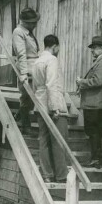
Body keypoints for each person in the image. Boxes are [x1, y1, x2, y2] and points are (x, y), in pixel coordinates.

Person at [33, 35, 68, 183]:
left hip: (40, 103)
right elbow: (51, 84)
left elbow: (35, 86)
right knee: (59, 140)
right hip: (52, 104)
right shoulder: (52, 60)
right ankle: (61, 175)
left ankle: (47, 175)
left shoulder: (37, 61)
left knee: (44, 141)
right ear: (55, 46)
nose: (58, 50)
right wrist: (55, 108)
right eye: (58, 48)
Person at [76, 36, 102, 169]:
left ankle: (97, 159)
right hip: (94, 102)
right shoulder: (100, 61)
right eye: (92, 48)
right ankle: (96, 158)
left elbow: (97, 81)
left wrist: (82, 82)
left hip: (95, 103)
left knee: (94, 130)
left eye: (94, 48)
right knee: (94, 130)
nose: (92, 50)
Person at [12, 7, 40, 133]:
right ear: (26, 22)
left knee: (33, 95)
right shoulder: (18, 32)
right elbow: (21, 53)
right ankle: (25, 125)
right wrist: (23, 73)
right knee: (26, 96)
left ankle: (20, 115)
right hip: (27, 67)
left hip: (34, 66)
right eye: (33, 22)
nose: (35, 25)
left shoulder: (28, 32)